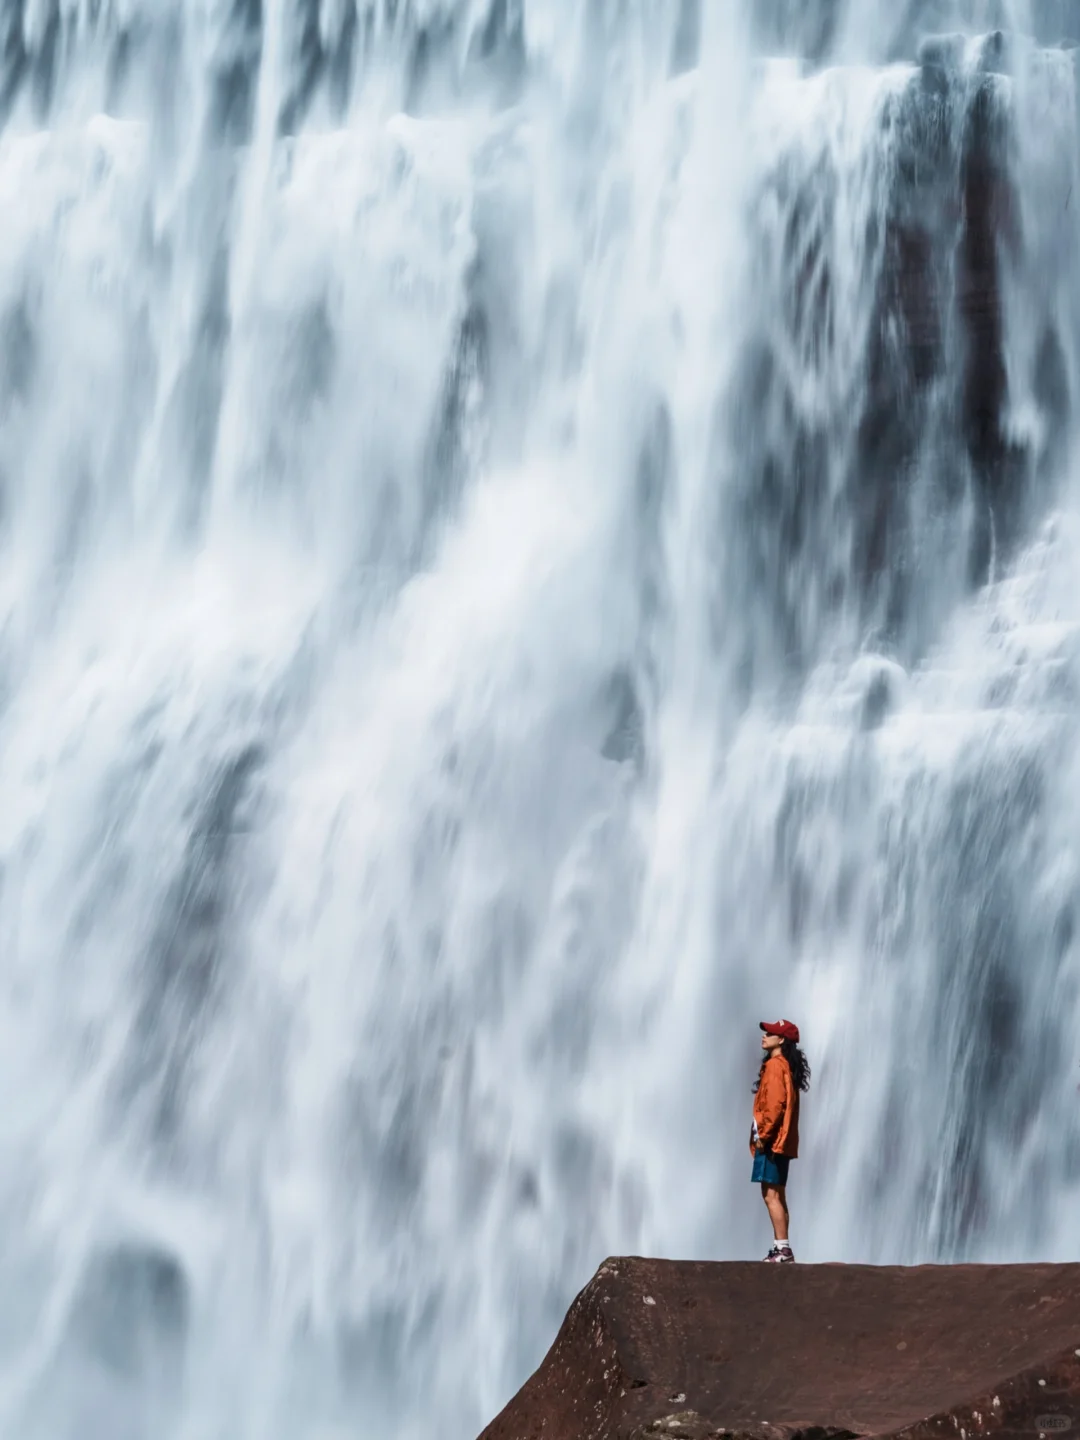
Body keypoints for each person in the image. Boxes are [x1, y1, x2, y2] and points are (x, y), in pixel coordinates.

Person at [750, 1018, 810, 1263]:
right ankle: (781, 1246)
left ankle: (782, 1249)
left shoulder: (775, 1066)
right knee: (778, 1195)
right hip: (783, 1142)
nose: (764, 1036)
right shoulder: (785, 1066)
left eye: (770, 1033)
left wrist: (762, 1135)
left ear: (781, 1040)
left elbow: (775, 1106)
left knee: (770, 1195)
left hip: (772, 1142)